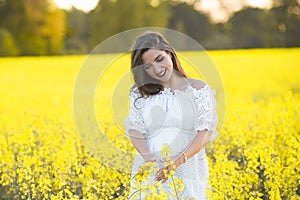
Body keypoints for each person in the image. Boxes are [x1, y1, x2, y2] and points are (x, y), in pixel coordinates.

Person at [124, 31, 218, 199]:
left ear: (170, 53)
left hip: (188, 165)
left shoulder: (198, 89)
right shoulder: (139, 94)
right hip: (152, 166)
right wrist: (150, 158)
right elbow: (135, 130)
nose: (157, 69)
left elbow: (204, 132)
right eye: (148, 66)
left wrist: (178, 160)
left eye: (160, 59)